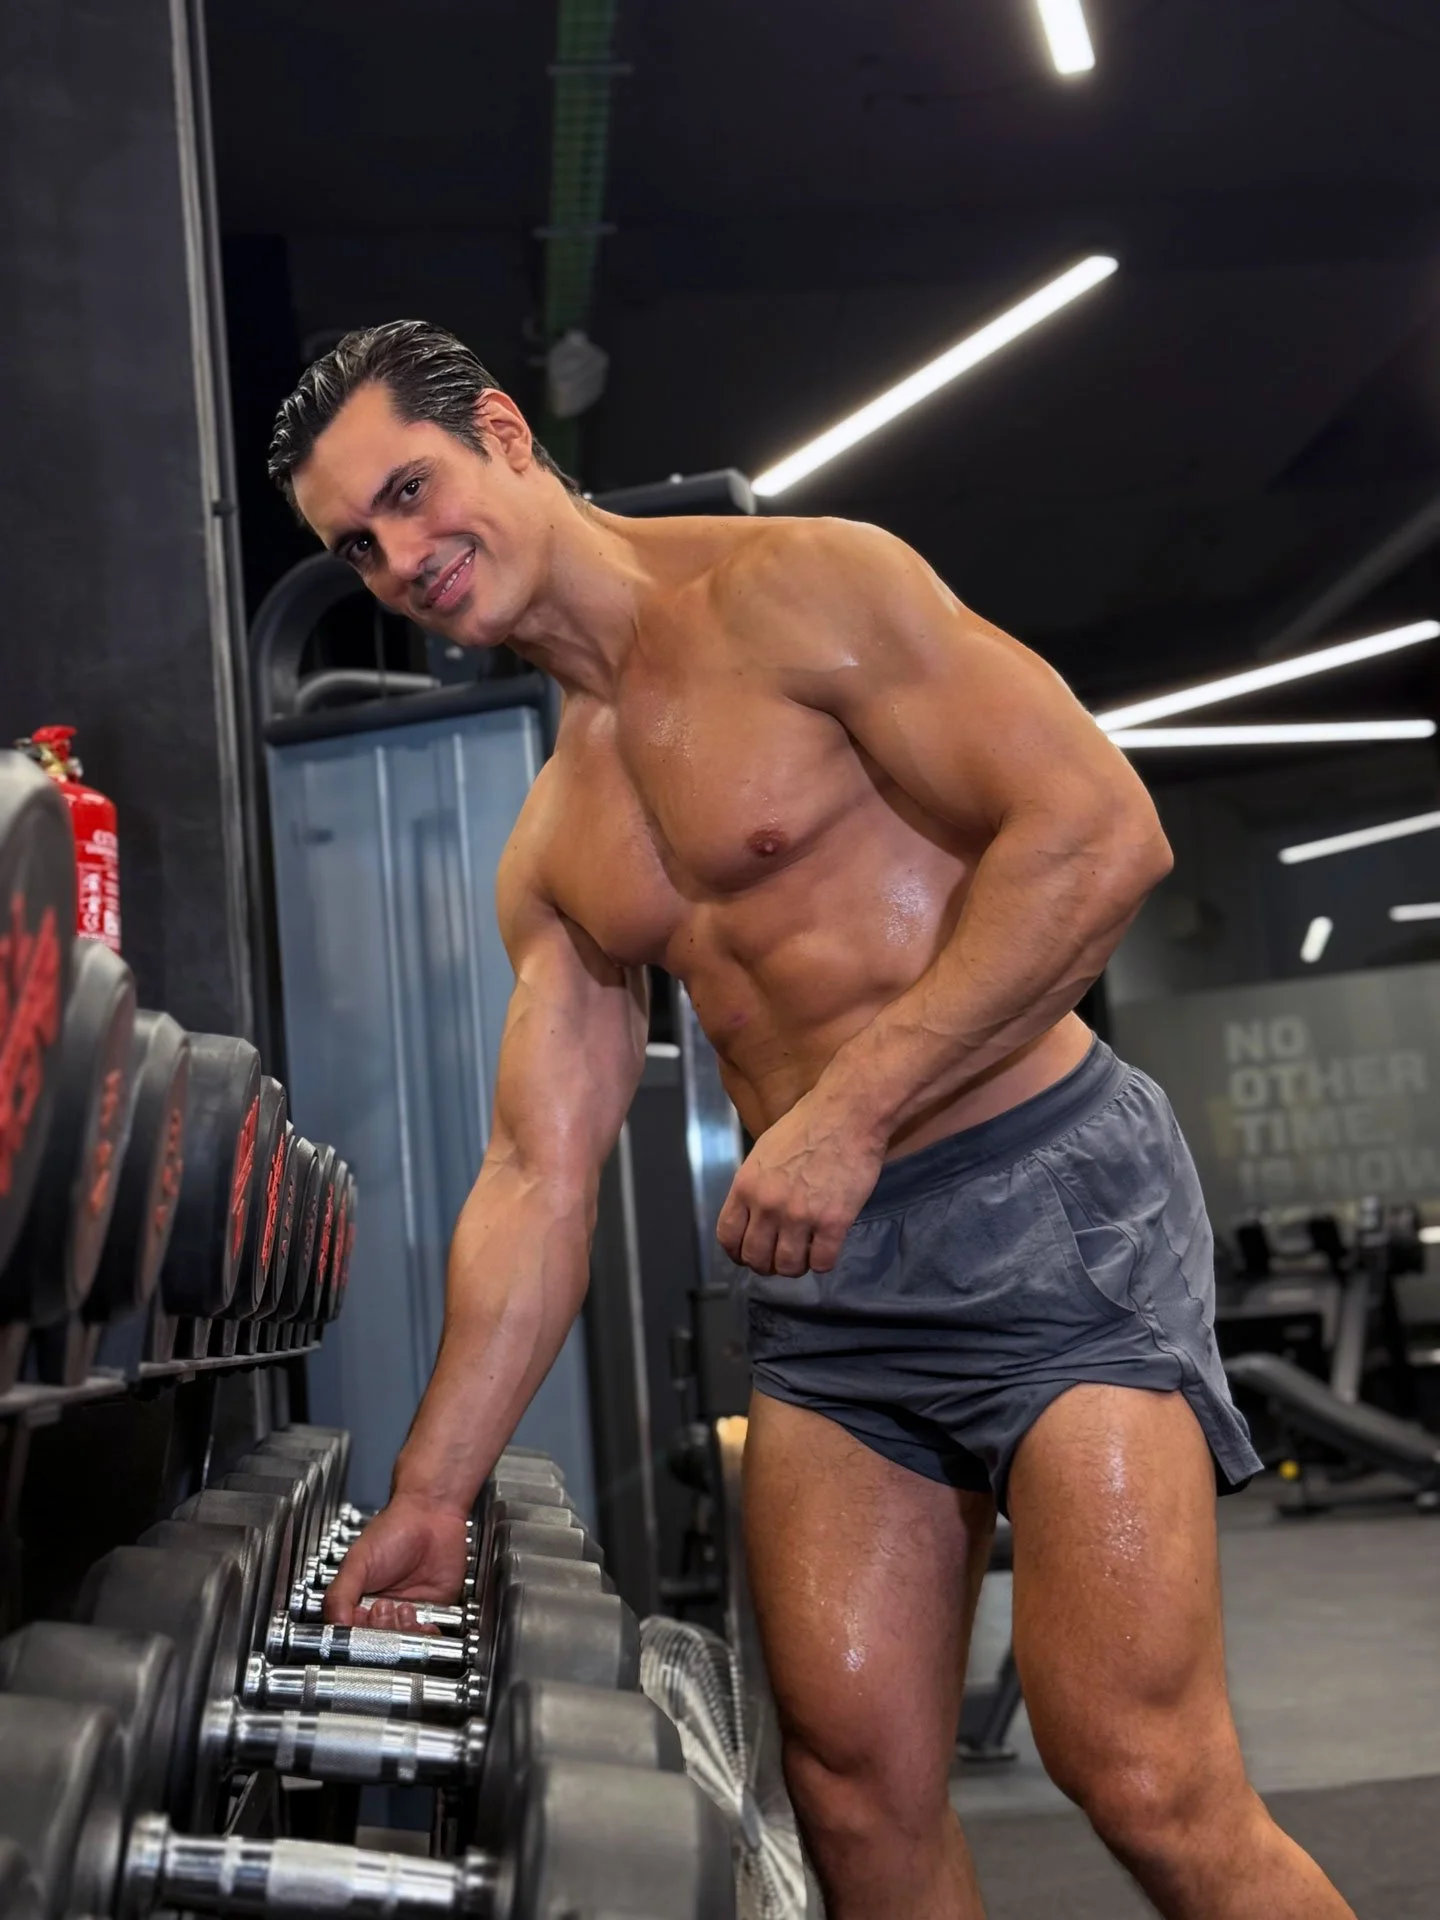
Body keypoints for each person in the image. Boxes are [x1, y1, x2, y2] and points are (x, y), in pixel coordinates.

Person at [267, 320, 1354, 1920]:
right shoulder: (558, 825)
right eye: (360, 542)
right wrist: (432, 1497)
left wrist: (851, 1107)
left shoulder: (799, 591)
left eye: (414, 493)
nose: (405, 556)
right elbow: (533, 1176)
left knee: (1140, 1771)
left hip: (1048, 1208)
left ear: (506, 432)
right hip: (834, 1295)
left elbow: (1100, 832)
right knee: (850, 1800)